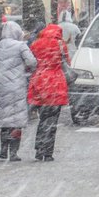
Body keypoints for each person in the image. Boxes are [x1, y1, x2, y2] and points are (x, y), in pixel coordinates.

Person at [0, 20, 37, 161]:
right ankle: (14, 153)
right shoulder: (21, 46)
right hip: (16, 85)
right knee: (16, 120)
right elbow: (31, 62)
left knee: (4, 118)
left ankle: (3, 149)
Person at [28, 22, 71, 161]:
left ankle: (39, 149)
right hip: (56, 83)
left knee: (43, 118)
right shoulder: (60, 44)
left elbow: (31, 62)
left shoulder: (36, 43)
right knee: (52, 120)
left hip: (40, 82)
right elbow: (67, 63)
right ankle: (48, 152)